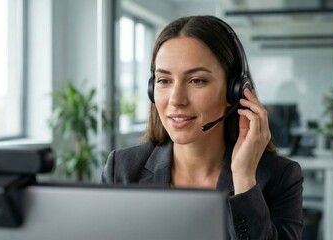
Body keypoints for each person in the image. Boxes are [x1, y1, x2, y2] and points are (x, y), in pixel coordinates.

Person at [102, 15, 303, 240]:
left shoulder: (280, 177)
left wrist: (244, 178)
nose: (176, 99)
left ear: (234, 91)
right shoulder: (122, 170)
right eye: (164, 81)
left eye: (197, 80)